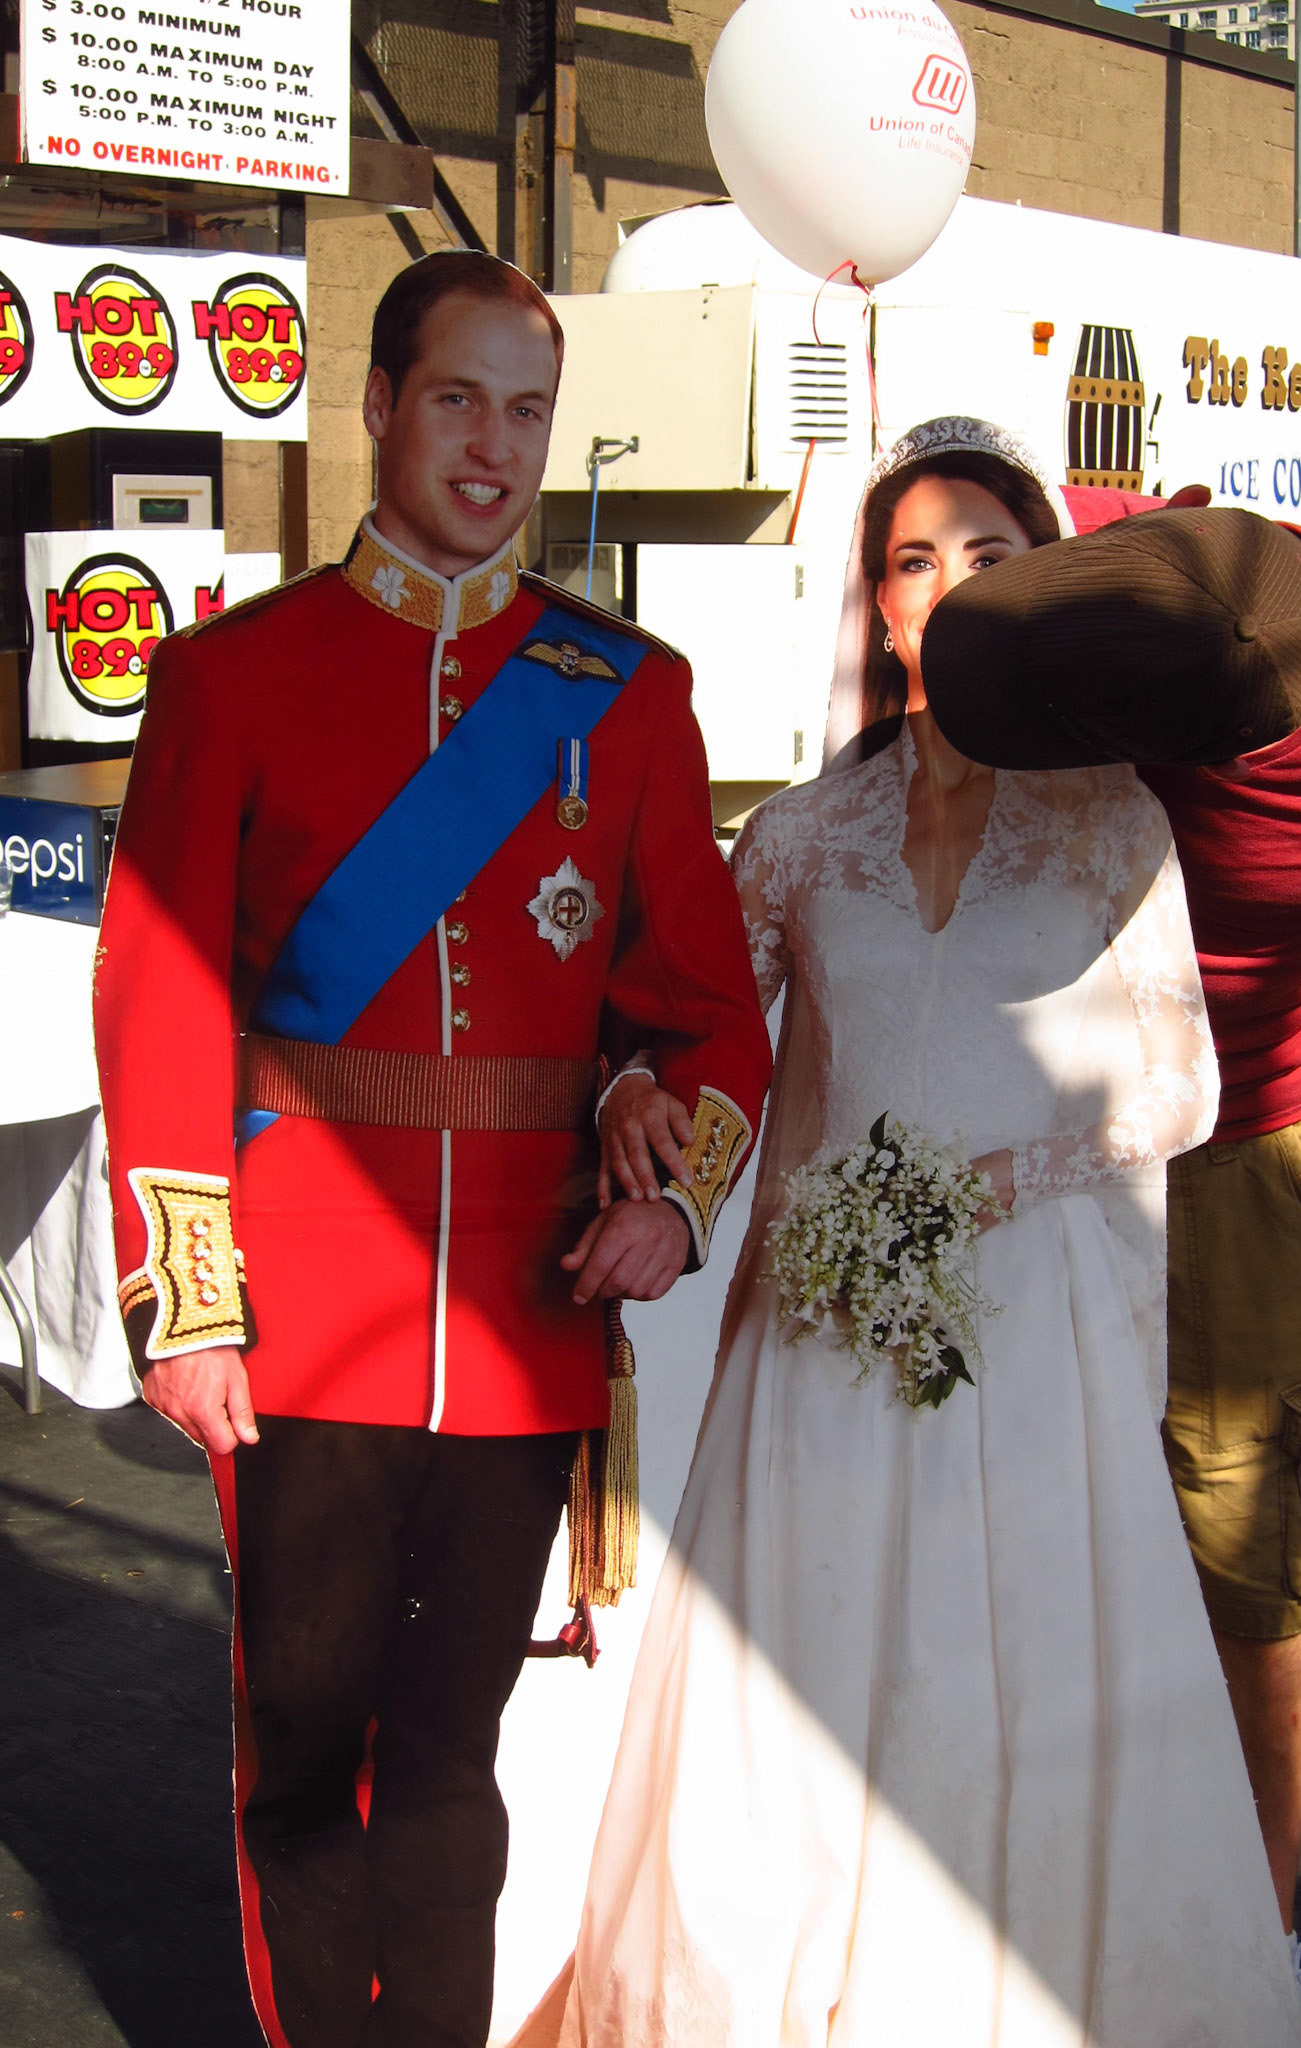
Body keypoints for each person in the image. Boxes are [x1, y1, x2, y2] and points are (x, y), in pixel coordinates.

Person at [522, 419, 1301, 2046]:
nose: (947, 588)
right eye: (912, 561)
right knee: (800, 1712)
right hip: (816, 1343)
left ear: (1047, 588)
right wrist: (629, 1104)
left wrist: (976, 1187)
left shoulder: (1116, 823)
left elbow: (1180, 1082)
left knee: (989, 1700)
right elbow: (700, 1034)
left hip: (1023, 1352)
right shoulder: (803, 836)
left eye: (988, 557)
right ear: (878, 609)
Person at [92, 249, 772, 2048]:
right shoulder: (235, 678)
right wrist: (190, 1301)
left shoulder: (620, 692)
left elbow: (705, 1006)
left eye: (525, 407)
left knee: (456, 1760)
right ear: (380, 404)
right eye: (455, 397)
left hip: (520, 1319)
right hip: (298, 1308)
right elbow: (160, 992)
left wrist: (674, 1199)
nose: (490, 443)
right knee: (307, 1759)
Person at [919, 500, 1301, 2048]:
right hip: (1042, 1123)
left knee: (1248, 1549)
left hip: (1257, 1133)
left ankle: (1249, 1964)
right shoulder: (1125, 559)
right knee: (1022, 1521)